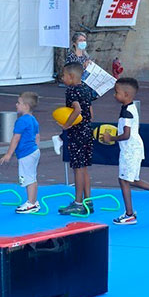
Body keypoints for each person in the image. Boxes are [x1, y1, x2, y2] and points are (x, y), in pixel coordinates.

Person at [104, 78, 149, 225]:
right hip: (132, 148)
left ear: (126, 94)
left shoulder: (126, 112)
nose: (114, 95)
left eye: (116, 92)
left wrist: (111, 138)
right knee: (128, 179)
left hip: (130, 149)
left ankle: (131, 213)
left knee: (126, 180)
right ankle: (132, 211)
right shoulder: (130, 108)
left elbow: (126, 135)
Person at [57, 62, 97, 215]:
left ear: (71, 76)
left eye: (64, 75)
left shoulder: (72, 91)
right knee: (84, 167)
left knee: (78, 168)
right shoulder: (86, 89)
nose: (63, 78)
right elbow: (90, 113)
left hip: (77, 132)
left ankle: (78, 202)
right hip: (87, 130)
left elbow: (77, 109)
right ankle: (88, 200)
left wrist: (66, 125)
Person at [0, 91, 41, 214]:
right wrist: (36, 149)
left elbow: (16, 138)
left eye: (19, 103)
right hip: (33, 151)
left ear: (26, 106)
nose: (16, 105)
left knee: (28, 178)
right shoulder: (33, 120)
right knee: (32, 177)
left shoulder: (21, 121)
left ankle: (31, 203)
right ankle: (33, 201)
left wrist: (8, 154)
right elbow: (37, 136)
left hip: (26, 153)